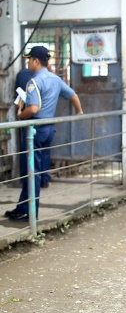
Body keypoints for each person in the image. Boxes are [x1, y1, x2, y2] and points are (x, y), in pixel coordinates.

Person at [5, 46, 83, 221]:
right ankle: (23, 207)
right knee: (36, 170)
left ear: (35, 61)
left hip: (35, 130)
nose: (27, 64)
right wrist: (79, 113)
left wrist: (20, 115)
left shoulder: (34, 81)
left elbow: (32, 108)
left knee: (31, 171)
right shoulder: (55, 79)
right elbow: (73, 96)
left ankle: (29, 212)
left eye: (28, 60)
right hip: (48, 129)